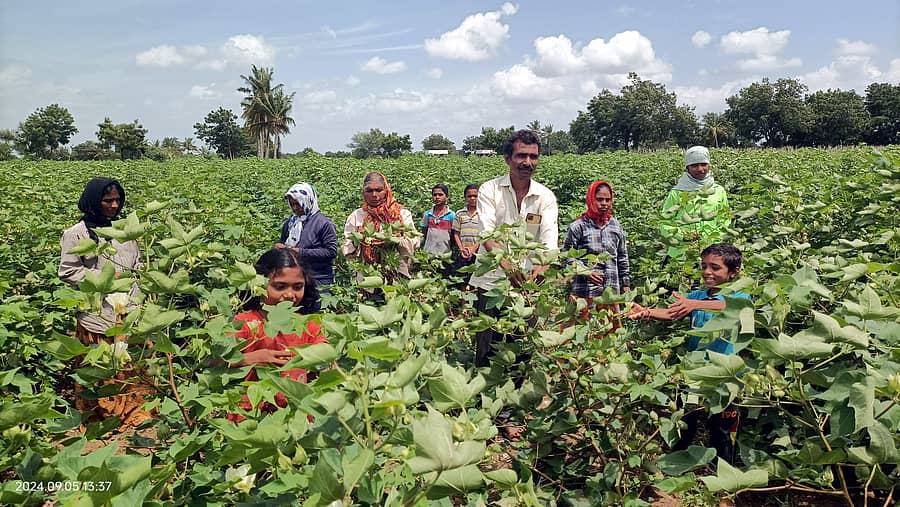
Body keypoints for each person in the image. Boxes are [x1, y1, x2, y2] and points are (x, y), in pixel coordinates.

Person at [627, 243, 749, 468]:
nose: (707, 272)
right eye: (704, 266)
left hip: (726, 375)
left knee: (722, 427)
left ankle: (723, 477)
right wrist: (647, 311)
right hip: (694, 370)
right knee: (685, 418)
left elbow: (730, 307)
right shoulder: (697, 295)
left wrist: (694, 304)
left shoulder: (740, 295)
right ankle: (675, 464)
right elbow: (672, 312)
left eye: (715, 267)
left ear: (733, 272)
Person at [59, 177, 152, 427]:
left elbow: (138, 263)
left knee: (130, 367)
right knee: (99, 368)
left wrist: (142, 279)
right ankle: (99, 420)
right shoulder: (76, 234)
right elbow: (68, 271)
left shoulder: (124, 231)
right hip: (97, 314)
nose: (114, 205)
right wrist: (107, 278)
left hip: (130, 310)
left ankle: (134, 416)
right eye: (107, 200)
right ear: (93, 201)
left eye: (117, 200)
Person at [469, 129, 559, 367]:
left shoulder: (544, 197)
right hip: (491, 282)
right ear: (508, 158)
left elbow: (550, 240)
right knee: (488, 350)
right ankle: (486, 401)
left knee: (523, 350)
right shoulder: (490, 190)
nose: (527, 162)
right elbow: (486, 232)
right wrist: (507, 266)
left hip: (529, 286)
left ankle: (516, 402)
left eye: (533, 156)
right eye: (521, 156)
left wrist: (543, 266)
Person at [227, 248, 326, 423]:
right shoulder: (245, 323)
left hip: (297, 415)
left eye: (298, 287)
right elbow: (214, 361)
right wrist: (252, 358)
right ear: (259, 285)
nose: (289, 294)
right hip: (250, 417)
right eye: (279, 286)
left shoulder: (308, 324)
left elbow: (326, 358)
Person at [562, 180, 630, 331]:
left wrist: (626, 285)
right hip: (584, 292)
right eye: (599, 199)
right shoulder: (578, 226)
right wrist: (585, 271)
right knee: (581, 335)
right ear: (591, 199)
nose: (604, 203)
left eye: (607, 200)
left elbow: (622, 258)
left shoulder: (615, 226)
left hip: (610, 292)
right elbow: (567, 257)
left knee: (609, 337)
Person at [342, 171, 419, 279]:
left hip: (397, 272)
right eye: (369, 190)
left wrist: (396, 240)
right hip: (368, 274)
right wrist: (358, 240)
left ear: (386, 190)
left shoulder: (401, 214)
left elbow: (414, 242)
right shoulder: (357, 216)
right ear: (364, 192)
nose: (374, 195)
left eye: (378, 190)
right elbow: (348, 250)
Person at [659, 146, 731, 260]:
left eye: (704, 164)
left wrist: (715, 240)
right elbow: (664, 222)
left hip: (711, 253)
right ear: (687, 168)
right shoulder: (677, 192)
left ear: (709, 165)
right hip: (682, 254)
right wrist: (682, 236)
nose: (700, 169)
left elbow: (725, 219)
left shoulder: (718, 190)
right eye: (694, 165)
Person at [276, 182, 338, 308]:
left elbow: (331, 252)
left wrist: (299, 252)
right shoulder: (290, 223)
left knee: (318, 319)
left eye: (298, 203)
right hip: (295, 280)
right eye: (292, 204)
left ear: (308, 200)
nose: (295, 208)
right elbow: (284, 244)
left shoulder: (324, 224)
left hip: (319, 280)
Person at [451, 184, 483, 278]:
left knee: (477, 275)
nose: (472, 198)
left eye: (475, 196)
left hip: (479, 251)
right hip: (463, 251)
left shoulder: (483, 214)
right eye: (469, 196)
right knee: (463, 275)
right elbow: (456, 233)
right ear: (465, 197)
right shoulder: (460, 213)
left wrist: (474, 248)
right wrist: (461, 248)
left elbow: (486, 235)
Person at [420, 184, 455, 256]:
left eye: (440, 194)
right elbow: (424, 231)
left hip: (445, 253)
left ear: (447, 197)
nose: (437, 197)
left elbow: (453, 235)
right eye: (435, 195)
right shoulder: (428, 214)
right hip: (428, 252)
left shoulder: (451, 215)